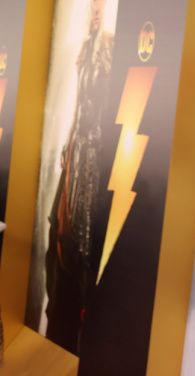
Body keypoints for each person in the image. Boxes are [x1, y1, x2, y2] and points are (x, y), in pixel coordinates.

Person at [35, 0, 113, 354]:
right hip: (76, 167)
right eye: (93, 4)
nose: (96, 9)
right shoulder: (87, 50)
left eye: (101, 5)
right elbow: (80, 112)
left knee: (80, 254)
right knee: (61, 243)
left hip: (93, 168)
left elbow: (99, 117)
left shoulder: (107, 53)